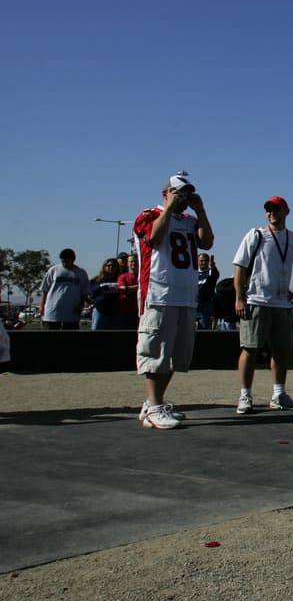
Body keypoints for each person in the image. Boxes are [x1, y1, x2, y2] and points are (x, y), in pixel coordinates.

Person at [133, 172, 214, 429]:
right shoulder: (149, 215)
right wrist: (168, 209)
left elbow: (207, 242)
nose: (183, 198)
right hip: (159, 293)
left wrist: (200, 210)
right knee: (156, 352)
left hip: (186, 296)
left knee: (175, 355)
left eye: (187, 193)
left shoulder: (190, 221)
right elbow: (153, 239)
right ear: (165, 194)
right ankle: (154, 407)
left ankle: (153, 402)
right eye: (178, 192)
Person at [231, 195, 293, 414]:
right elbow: (239, 267)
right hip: (256, 300)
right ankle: (245, 395)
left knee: (281, 351)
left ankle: (279, 394)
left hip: (282, 304)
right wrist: (239, 297)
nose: (271, 213)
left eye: (276, 209)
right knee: (250, 348)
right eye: (268, 209)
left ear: (286, 211)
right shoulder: (255, 235)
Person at [39, 248, 90, 330]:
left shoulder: (81, 273)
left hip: (72, 312)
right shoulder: (54, 270)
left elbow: (84, 292)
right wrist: (42, 306)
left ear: (73, 260)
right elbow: (44, 289)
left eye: (67, 261)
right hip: (53, 311)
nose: (64, 264)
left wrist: (80, 305)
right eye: (63, 261)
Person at [89, 258, 124, 330]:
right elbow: (90, 293)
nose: (111, 267)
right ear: (104, 267)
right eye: (108, 265)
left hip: (116, 312)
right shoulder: (96, 280)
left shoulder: (120, 279)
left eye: (113, 266)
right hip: (100, 311)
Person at [195, 253, 219, 330]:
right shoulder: (193, 272)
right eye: (201, 261)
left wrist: (213, 267)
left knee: (203, 327)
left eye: (205, 261)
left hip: (205, 306)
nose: (203, 263)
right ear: (197, 261)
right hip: (193, 304)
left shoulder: (210, 272)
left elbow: (215, 275)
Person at [117, 253, 140, 331]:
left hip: (138, 312)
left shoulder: (142, 276)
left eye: (136, 261)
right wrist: (140, 287)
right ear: (127, 263)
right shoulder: (122, 277)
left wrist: (128, 288)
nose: (133, 263)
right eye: (131, 261)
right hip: (124, 311)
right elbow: (122, 288)